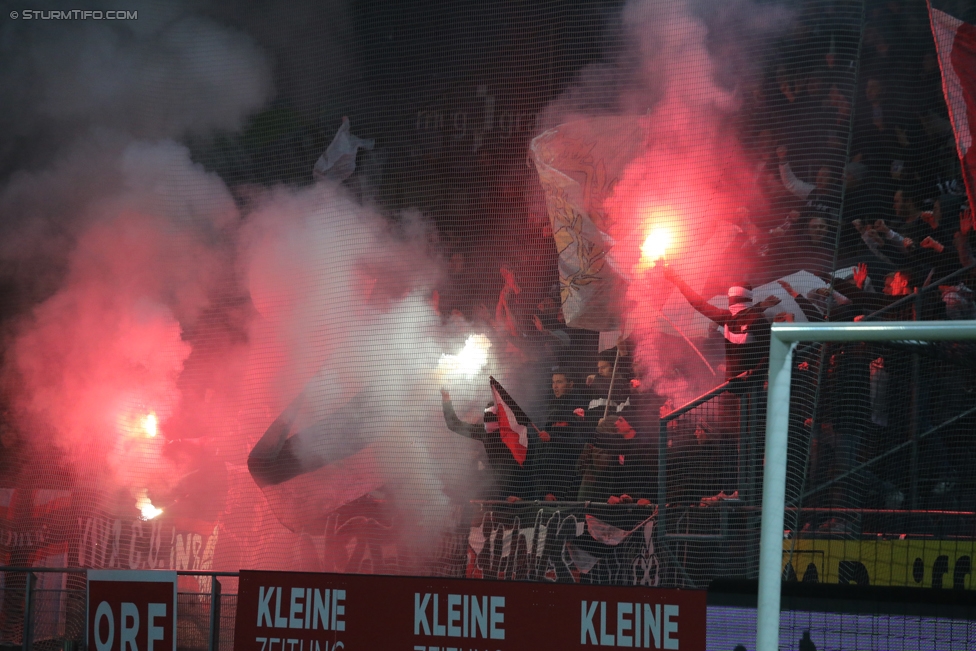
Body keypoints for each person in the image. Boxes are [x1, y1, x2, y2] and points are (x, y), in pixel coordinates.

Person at [662, 264, 781, 380]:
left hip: (751, 384)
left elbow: (699, 304)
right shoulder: (740, 318)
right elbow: (743, 315)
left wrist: (754, 374)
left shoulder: (732, 318)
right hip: (737, 383)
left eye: (731, 298)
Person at [440, 388, 535, 501]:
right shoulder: (484, 431)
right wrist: (446, 401)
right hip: (500, 495)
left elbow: (531, 466)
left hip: (522, 492)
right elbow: (454, 425)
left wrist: (523, 497)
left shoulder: (518, 433)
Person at [534, 371, 587, 501]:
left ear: (570, 384)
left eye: (559, 382)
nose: (555, 386)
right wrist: (545, 492)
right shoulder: (550, 407)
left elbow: (579, 443)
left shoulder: (580, 406)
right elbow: (536, 468)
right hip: (548, 495)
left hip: (570, 493)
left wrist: (552, 438)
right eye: (553, 382)